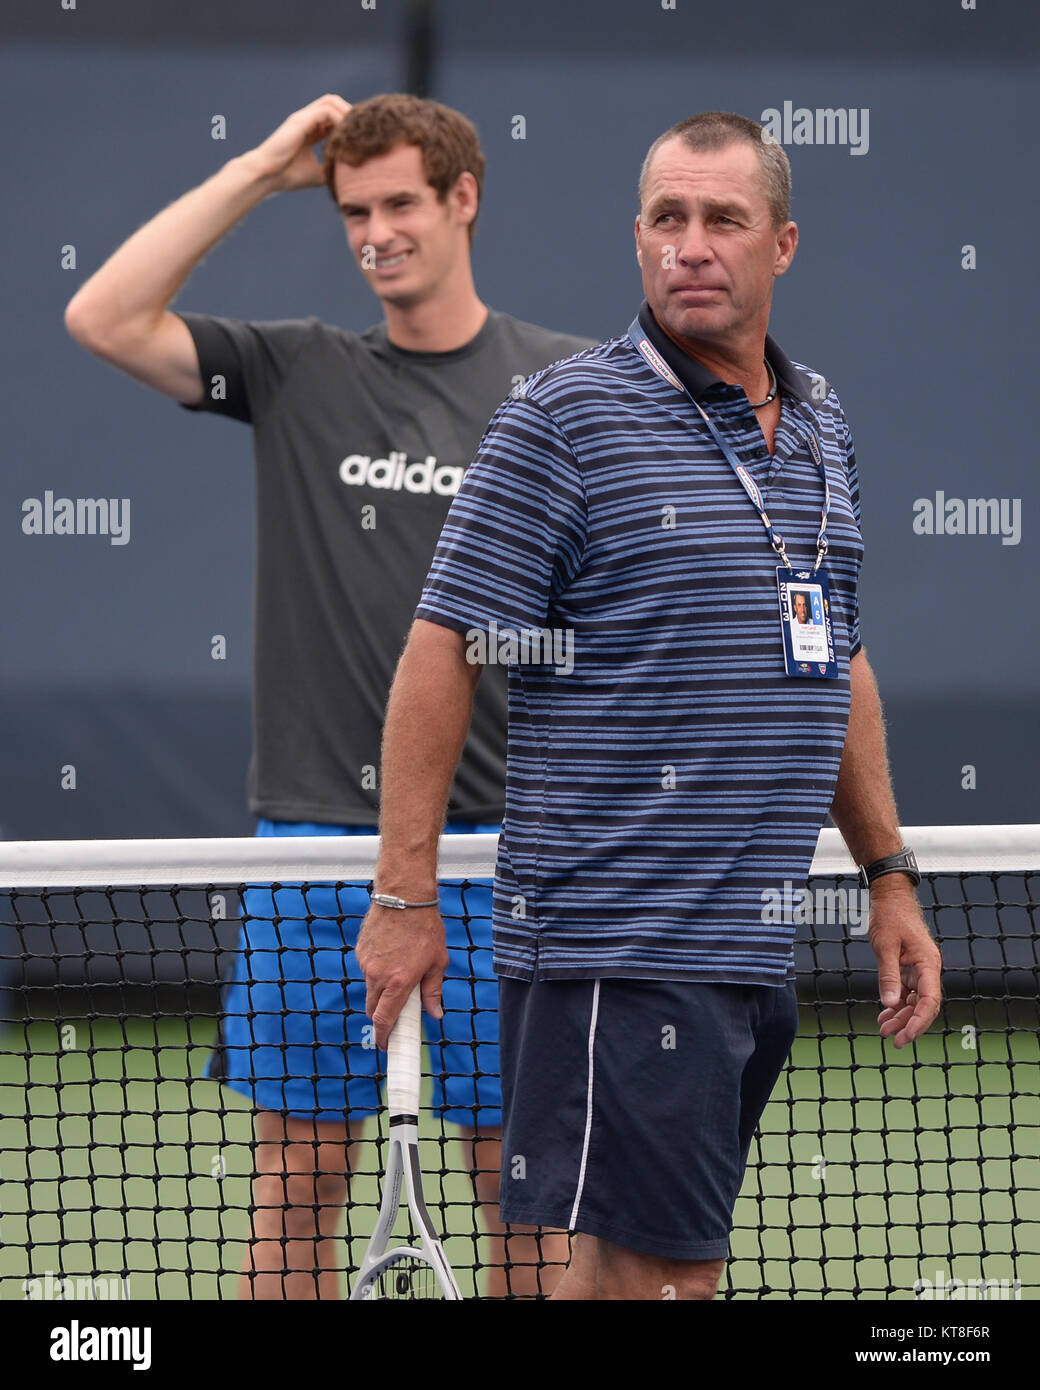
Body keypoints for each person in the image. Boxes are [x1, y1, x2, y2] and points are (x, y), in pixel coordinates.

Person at [356, 110, 943, 1301]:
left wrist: (885, 871)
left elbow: (833, 656)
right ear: (636, 241)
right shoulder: (559, 420)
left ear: (781, 244)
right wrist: (404, 893)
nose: (691, 245)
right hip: (614, 947)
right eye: (666, 220)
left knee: (635, 1274)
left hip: (746, 945)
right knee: (669, 1278)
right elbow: (441, 647)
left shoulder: (820, 421)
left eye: (721, 219)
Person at [64, 92, 593, 1299]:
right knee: (297, 1189)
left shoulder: (564, 386)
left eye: (401, 201)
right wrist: (258, 170)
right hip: (312, 850)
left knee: (524, 1198)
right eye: (354, 209)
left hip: (512, 853)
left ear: (464, 197)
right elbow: (100, 315)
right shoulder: (295, 369)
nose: (375, 231)